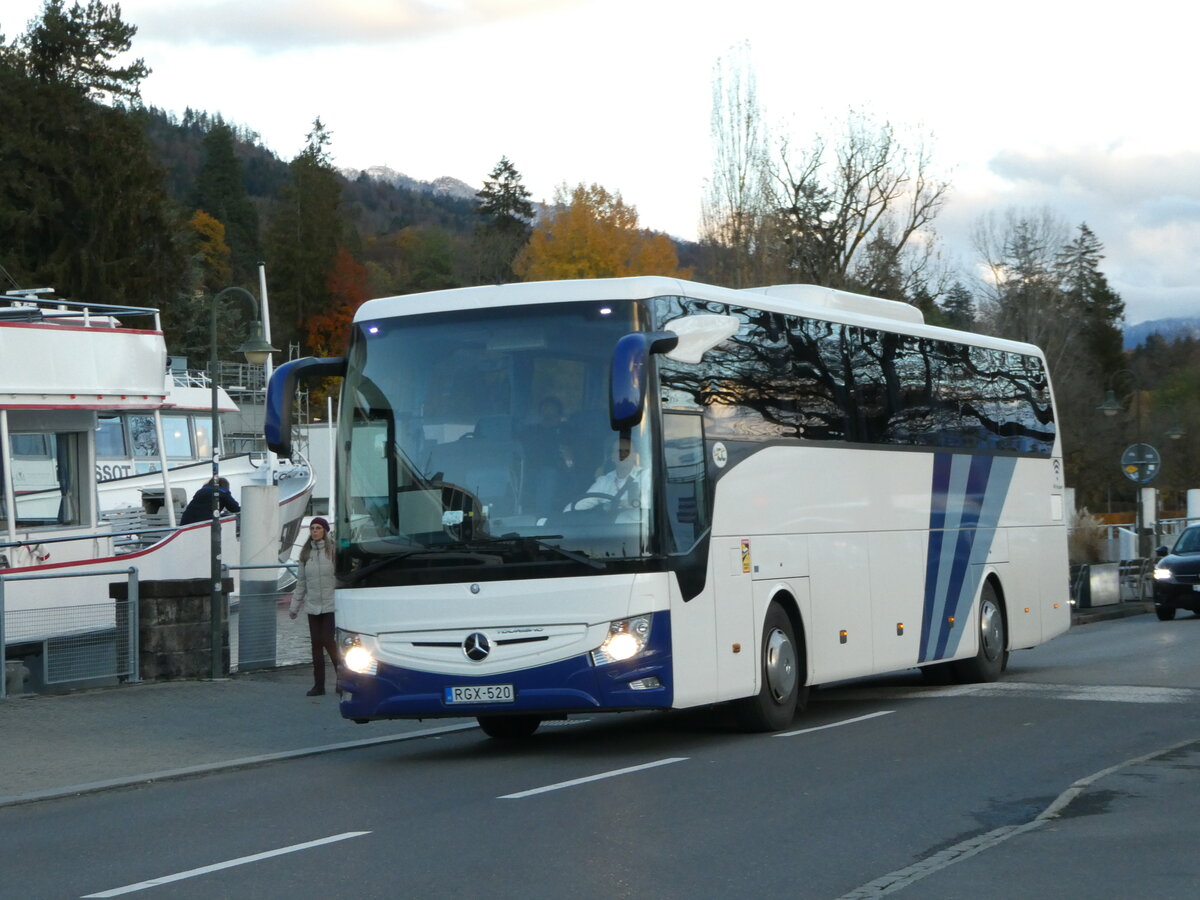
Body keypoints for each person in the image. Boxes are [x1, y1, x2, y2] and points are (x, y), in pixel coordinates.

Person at [289, 517, 341, 696]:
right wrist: (294, 607)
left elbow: (341, 578)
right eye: (312, 528)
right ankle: (319, 685)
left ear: (325, 531)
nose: (315, 531)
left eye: (318, 528)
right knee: (316, 645)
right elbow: (301, 583)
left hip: (330, 604)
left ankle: (341, 678)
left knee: (328, 639)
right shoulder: (305, 555)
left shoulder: (333, 552)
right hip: (313, 606)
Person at [569, 435, 646, 511]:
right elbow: (577, 506)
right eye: (619, 451)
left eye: (627, 451)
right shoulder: (604, 481)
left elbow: (654, 505)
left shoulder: (647, 477)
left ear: (635, 455)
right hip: (608, 523)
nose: (623, 455)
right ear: (612, 457)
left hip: (640, 523)